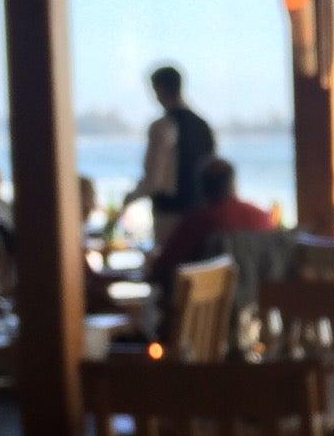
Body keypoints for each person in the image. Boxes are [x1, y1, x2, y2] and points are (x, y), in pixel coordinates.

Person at [116, 65, 215, 244]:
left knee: (169, 258)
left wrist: (129, 199)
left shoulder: (163, 126)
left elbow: (154, 180)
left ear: (160, 89)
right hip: (201, 215)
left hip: (170, 215)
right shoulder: (203, 126)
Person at [148, 159, 274, 287]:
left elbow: (161, 270)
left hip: (209, 297)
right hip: (260, 296)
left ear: (202, 187)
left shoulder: (198, 223)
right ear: (233, 183)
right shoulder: (263, 218)